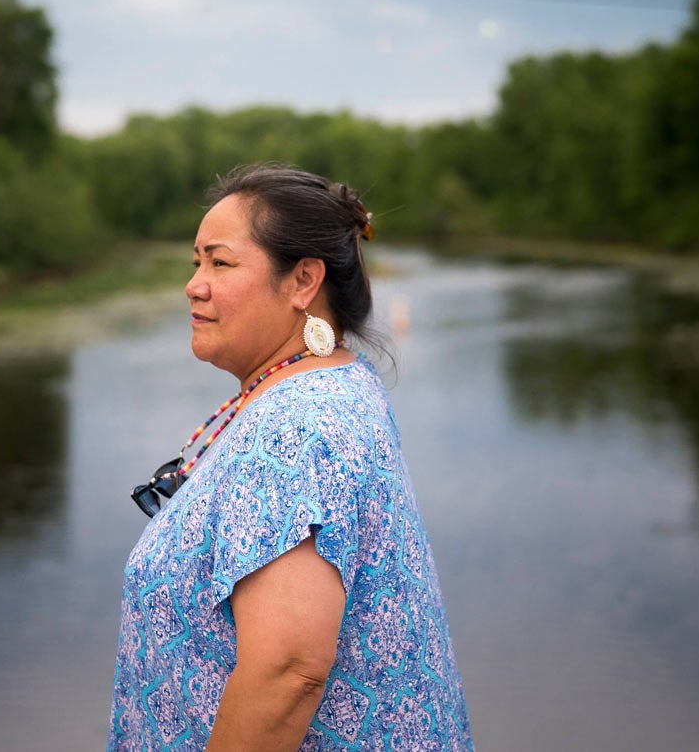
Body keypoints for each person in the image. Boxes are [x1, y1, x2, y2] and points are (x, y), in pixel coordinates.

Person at [109, 163, 472, 751]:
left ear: (303, 280)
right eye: (196, 262)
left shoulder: (299, 426)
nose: (194, 284)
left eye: (219, 262)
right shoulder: (321, 388)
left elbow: (289, 673)